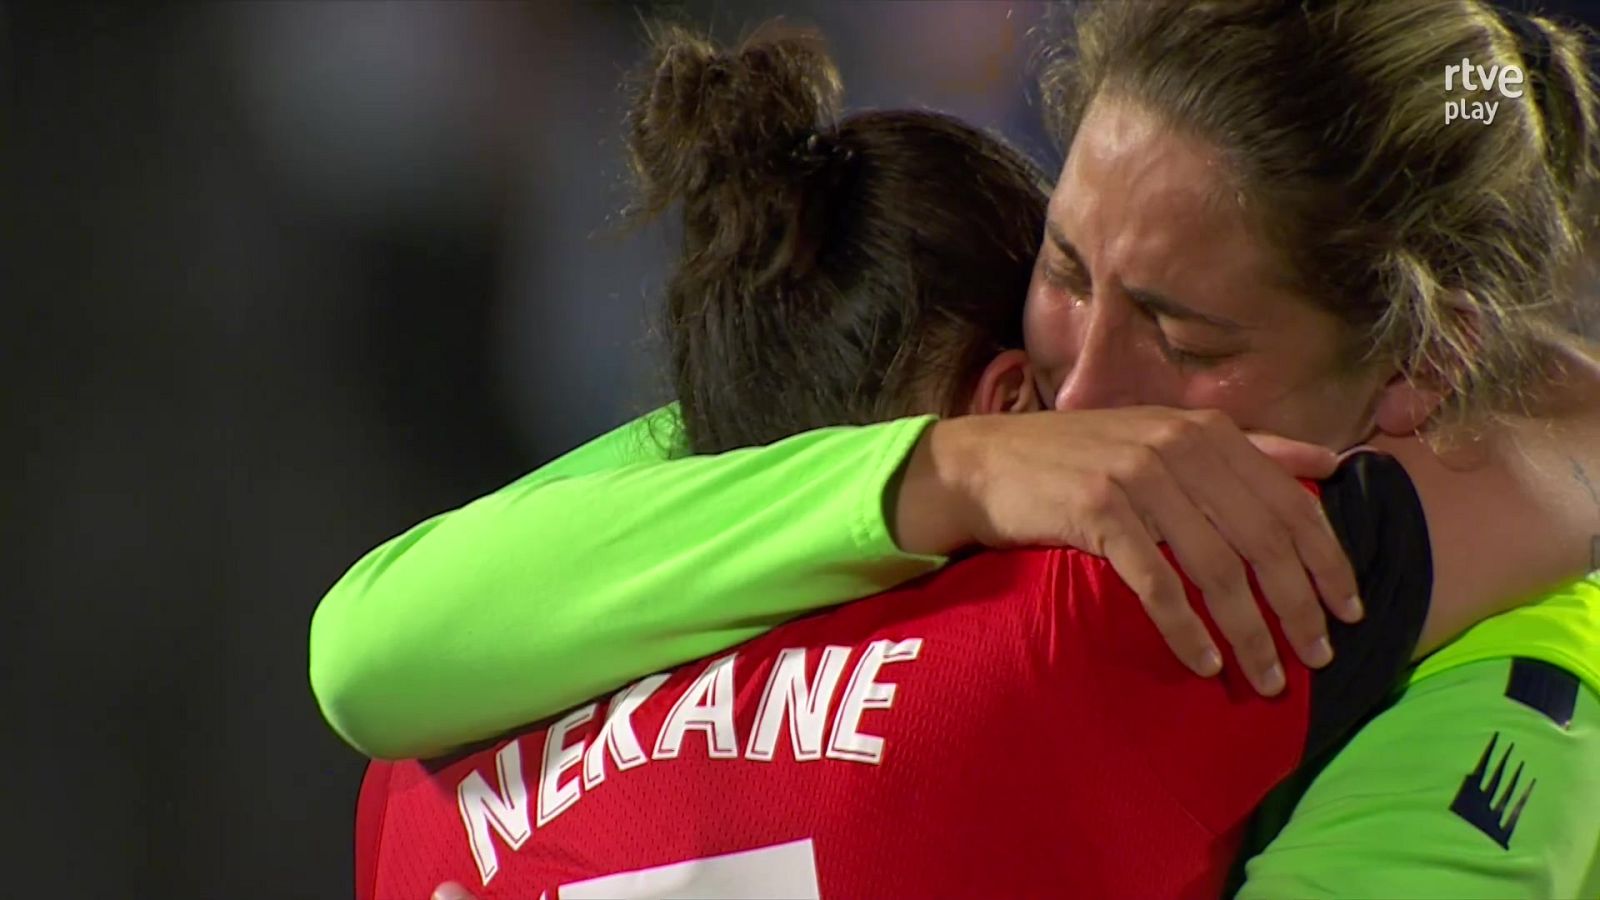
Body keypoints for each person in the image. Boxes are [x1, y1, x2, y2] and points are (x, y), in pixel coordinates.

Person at [313, 1, 1600, 895]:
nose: (1083, 399)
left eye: (1186, 339)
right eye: (1068, 268)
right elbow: (365, 643)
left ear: (1416, 369)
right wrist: (957, 468)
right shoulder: (978, 485)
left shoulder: (1511, 691)